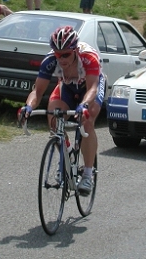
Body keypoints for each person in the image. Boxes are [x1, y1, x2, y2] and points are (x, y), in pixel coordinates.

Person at [21, 26, 105, 195]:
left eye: (65, 54)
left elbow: (92, 88)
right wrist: (28, 107)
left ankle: (88, 174)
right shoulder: (50, 60)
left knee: (87, 121)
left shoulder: (88, 57)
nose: (61, 58)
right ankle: (66, 156)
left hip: (89, 88)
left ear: (74, 50)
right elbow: (37, 91)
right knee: (53, 118)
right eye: (58, 54)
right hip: (67, 87)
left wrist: (84, 105)